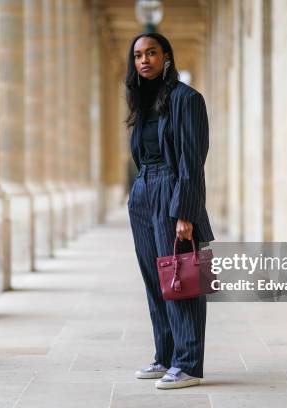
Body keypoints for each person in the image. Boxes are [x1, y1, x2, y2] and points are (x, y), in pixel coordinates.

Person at [124, 32, 215, 390]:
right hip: (144, 191)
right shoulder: (142, 104)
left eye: (151, 53)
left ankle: (188, 364)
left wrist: (185, 212)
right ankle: (165, 356)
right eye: (137, 55)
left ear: (167, 57)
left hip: (171, 189)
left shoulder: (187, 99)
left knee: (181, 277)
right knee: (154, 279)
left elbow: (192, 161)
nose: (144, 60)